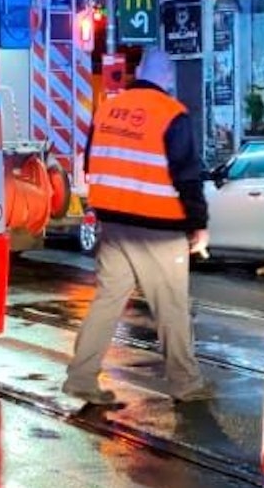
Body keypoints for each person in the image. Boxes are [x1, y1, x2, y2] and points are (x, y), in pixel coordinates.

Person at [63, 47, 215, 405]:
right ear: (167, 79)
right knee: (171, 308)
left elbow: (90, 162)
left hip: (113, 226)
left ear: (139, 73)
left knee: (106, 302)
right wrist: (199, 224)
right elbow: (187, 176)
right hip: (159, 230)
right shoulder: (171, 113)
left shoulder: (107, 110)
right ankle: (186, 384)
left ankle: (81, 378)